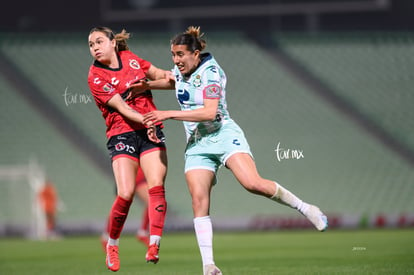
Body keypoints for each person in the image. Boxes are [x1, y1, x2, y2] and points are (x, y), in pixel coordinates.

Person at [142, 26, 328, 275]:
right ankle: (209, 265)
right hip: (198, 143)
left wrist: (167, 113)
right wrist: (144, 87)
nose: (176, 60)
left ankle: (306, 208)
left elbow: (209, 112)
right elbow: (174, 82)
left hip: (224, 135)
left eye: (180, 55)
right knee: (198, 200)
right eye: (173, 55)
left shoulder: (212, 72)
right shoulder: (181, 70)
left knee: (253, 184)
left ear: (196, 53)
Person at [87, 26, 169, 272]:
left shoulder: (131, 59)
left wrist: (179, 75)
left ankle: (153, 244)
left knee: (156, 187)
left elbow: (159, 74)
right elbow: (122, 107)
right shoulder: (95, 75)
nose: (95, 47)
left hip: (150, 130)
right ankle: (112, 244)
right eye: (91, 45)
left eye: (99, 41)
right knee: (126, 193)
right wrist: (146, 119)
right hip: (122, 133)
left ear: (113, 42)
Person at [101, 168, 150, 251]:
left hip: (140, 175)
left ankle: (143, 232)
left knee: (151, 201)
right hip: (126, 173)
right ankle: (106, 235)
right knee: (120, 207)